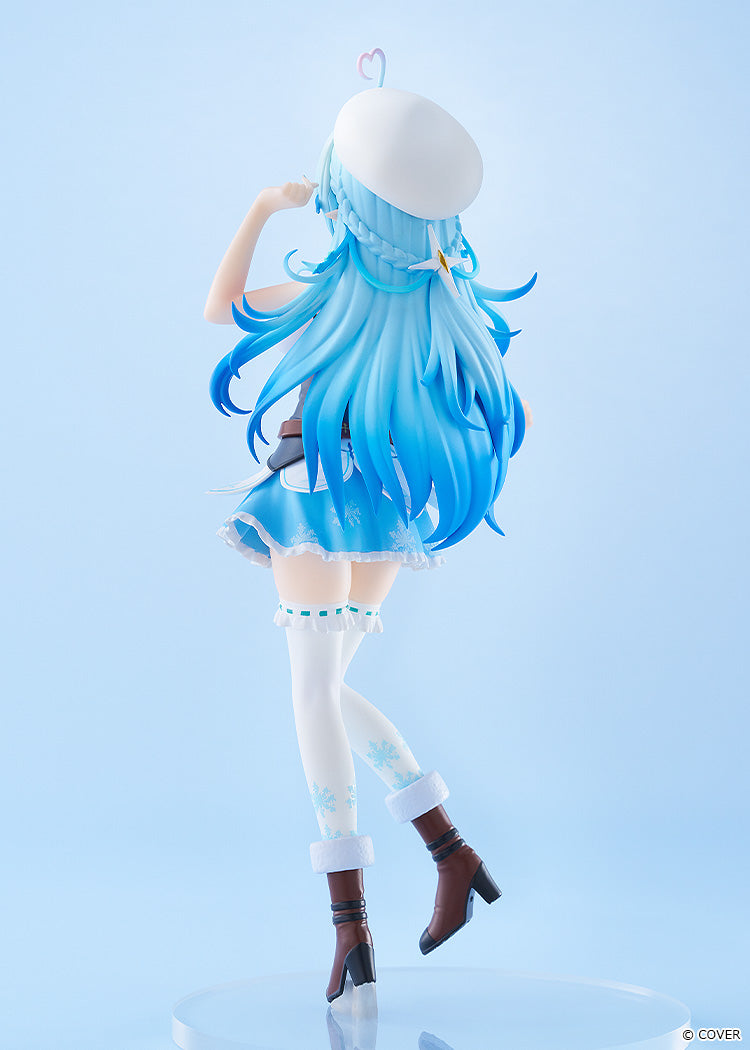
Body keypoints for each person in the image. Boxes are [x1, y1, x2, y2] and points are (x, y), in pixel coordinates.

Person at [204, 69, 535, 1003]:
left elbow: (221, 307)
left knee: (313, 693)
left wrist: (263, 207)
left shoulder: (334, 288)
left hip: (314, 499)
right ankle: (451, 852)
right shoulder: (442, 294)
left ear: (350, 198)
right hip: (384, 512)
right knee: (334, 688)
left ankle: (350, 924)